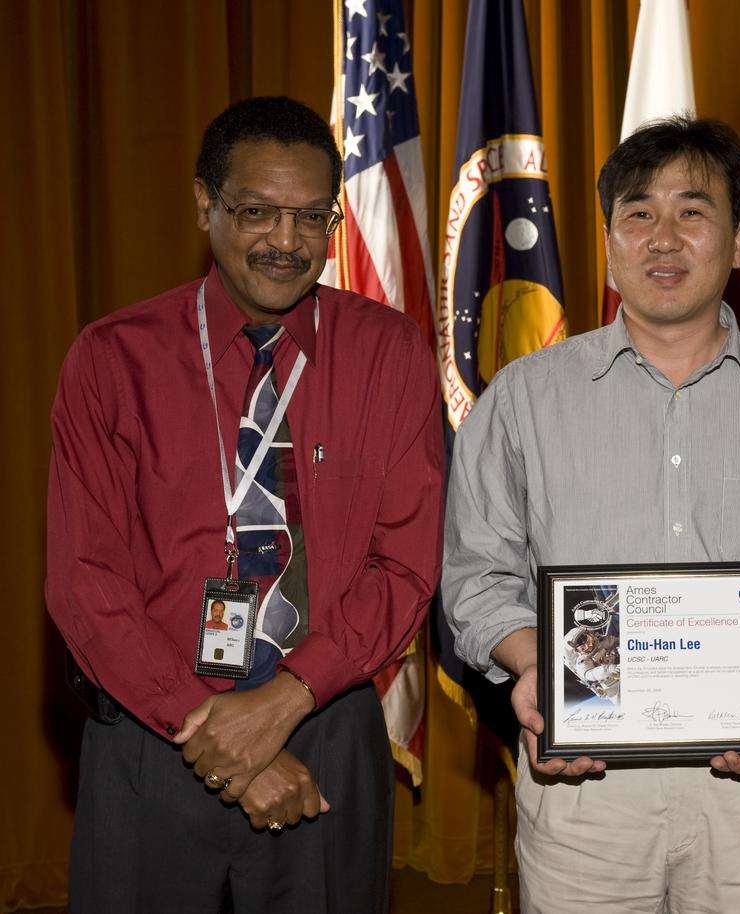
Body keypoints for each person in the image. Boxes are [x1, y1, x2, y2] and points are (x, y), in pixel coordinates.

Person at [442, 115, 740, 913]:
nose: (663, 237)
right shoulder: (522, 399)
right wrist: (536, 672)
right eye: (638, 214)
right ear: (610, 239)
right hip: (582, 782)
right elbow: (478, 571)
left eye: (693, 211)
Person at [46, 96, 444, 913]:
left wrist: (286, 700)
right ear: (205, 203)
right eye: (257, 212)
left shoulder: (391, 352)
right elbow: (84, 581)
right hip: (154, 730)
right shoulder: (111, 360)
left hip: (326, 727)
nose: (287, 243)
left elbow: (407, 562)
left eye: (310, 218)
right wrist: (219, 732)